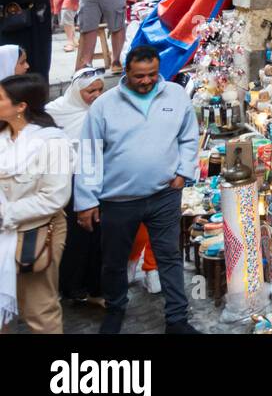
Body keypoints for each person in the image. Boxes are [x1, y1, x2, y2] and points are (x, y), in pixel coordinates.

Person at [74, 44, 201, 334]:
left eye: (152, 75)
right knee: (114, 261)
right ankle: (115, 310)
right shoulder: (105, 105)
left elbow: (188, 136)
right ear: (126, 73)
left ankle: (177, 320)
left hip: (165, 195)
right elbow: (89, 154)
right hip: (119, 200)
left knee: (169, 257)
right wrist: (86, 201)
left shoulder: (175, 95)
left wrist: (183, 172)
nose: (146, 81)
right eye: (139, 76)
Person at [0, 73, 72, 333]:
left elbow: (54, 196)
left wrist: (6, 213)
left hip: (36, 233)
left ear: (21, 107)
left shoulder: (52, 143)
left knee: (39, 310)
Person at [47, 68, 106, 305]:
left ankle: (96, 286)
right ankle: (72, 286)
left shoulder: (104, 110)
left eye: (100, 89)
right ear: (75, 91)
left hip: (98, 176)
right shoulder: (55, 112)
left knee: (98, 235)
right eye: (90, 90)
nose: (96, 95)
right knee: (74, 237)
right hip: (67, 181)